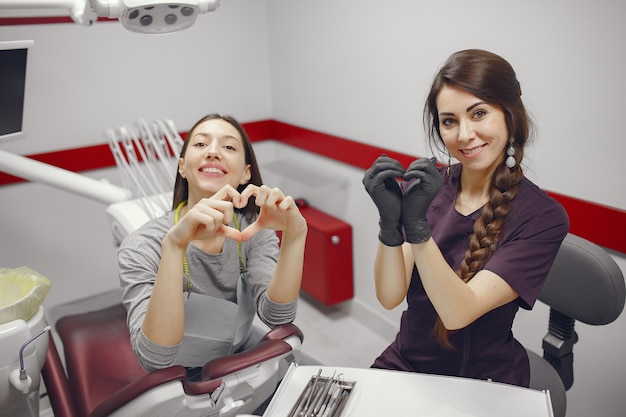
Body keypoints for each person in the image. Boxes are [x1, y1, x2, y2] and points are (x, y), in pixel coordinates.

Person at [362, 49, 569, 387]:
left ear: (509, 115)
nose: (464, 134)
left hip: (479, 380)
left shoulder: (542, 217)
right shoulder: (429, 189)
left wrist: (416, 230)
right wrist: (390, 226)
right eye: (449, 121)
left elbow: (458, 313)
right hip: (406, 361)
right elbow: (389, 295)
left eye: (479, 113)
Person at [118, 113, 308, 379]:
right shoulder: (141, 247)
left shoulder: (255, 229)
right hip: (178, 374)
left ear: (246, 173)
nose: (214, 152)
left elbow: (277, 317)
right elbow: (155, 359)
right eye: (200, 144)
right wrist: (174, 246)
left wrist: (295, 235)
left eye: (229, 147)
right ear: (182, 167)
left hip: (240, 352)